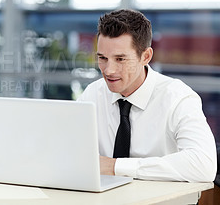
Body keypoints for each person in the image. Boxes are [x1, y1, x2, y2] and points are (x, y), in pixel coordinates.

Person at [77, 9, 217, 182]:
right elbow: (67, 150)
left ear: (146, 56)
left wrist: (115, 167)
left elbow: (203, 165)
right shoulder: (93, 94)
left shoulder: (178, 98)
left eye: (120, 59)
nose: (108, 70)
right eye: (103, 58)